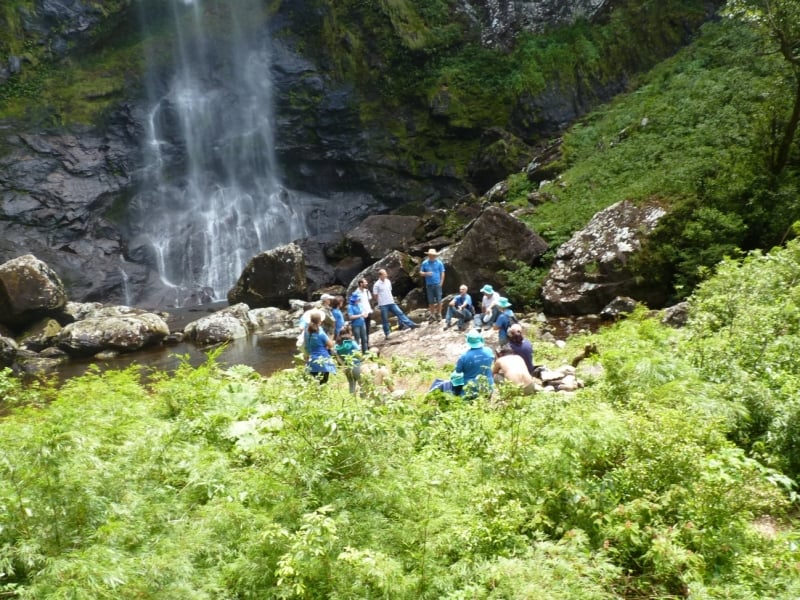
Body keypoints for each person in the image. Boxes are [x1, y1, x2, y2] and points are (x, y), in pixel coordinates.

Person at [372, 269, 419, 339]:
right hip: (383, 304)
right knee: (385, 319)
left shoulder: (388, 281)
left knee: (400, 313)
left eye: (386, 273)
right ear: (380, 275)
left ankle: (411, 325)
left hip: (391, 302)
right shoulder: (376, 285)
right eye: (384, 274)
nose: (386, 275)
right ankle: (387, 333)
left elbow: (390, 290)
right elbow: (375, 295)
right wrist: (380, 302)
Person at [455, 329, 495, 399]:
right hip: (488, 385)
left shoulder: (464, 356)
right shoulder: (489, 351)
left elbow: (458, 371)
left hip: (470, 387)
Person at [303, 312, 336, 384]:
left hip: (311, 360)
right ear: (320, 322)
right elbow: (330, 345)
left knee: (315, 382)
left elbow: (305, 344)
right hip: (322, 360)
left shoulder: (306, 331)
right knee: (323, 382)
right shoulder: (320, 332)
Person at [420, 248, 446, 322]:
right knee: (431, 301)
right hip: (429, 285)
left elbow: (443, 273)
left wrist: (441, 283)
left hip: (437, 284)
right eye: (431, 255)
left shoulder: (439, 263)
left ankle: (439, 314)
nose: (432, 256)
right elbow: (421, 273)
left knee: (439, 300)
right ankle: (432, 315)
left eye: (434, 255)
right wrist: (426, 273)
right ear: (429, 255)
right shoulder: (424, 263)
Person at [335, 326, 362, 395]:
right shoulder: (351, 342)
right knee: (362, 383)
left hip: (346, 367)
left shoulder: (338, 346)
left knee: (351, 384)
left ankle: (352, 400)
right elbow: (359, 352)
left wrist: (343, 365)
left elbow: (337, 357)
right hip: (356, 365)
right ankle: (364, 399)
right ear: (349, 332)